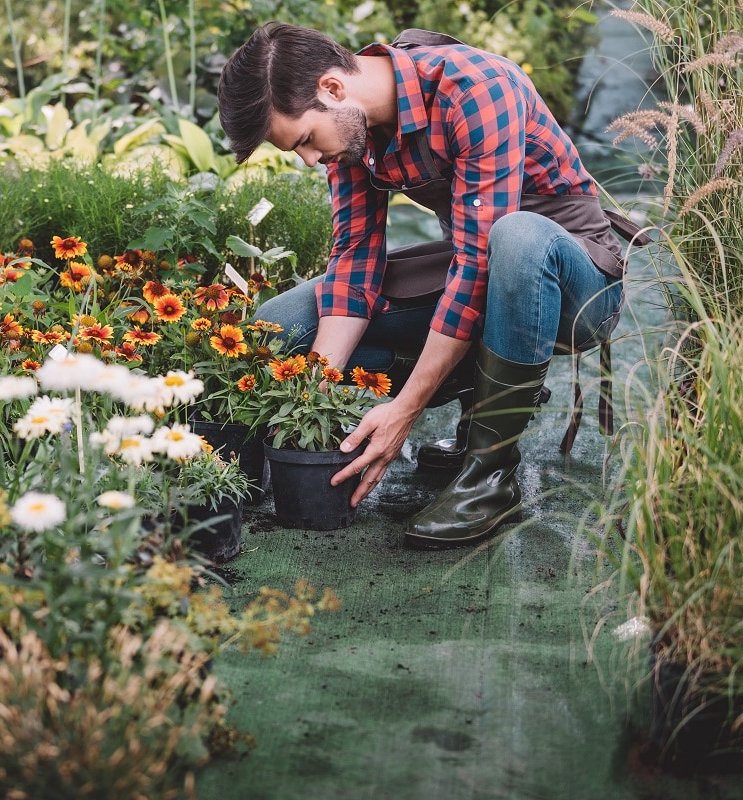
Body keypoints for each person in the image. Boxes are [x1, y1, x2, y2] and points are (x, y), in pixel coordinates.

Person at [217, 23, 639, 548]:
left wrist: (404, 412)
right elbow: (355, 259)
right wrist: (314, 393)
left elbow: (479, 266)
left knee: (516, 238)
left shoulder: (477, 88)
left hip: (576, 279)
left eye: (304, 140)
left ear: (331, 88)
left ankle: (490, 473)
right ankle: (233, 471)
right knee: (283, 325)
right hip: (472, 264)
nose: (309, 159)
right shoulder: (352, 133)